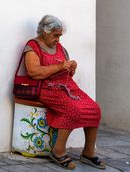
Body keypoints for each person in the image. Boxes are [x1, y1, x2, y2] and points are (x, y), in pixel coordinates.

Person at [23, 15, 105, 170]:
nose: (58, 40)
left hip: (68, 87)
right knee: (73, 110)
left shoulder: (61, 49)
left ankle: (88, 152)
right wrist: (59, 67)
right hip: (47, 89)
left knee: (94, 109)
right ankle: (58, 151)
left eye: (59, 35)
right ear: (44, 32)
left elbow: (64, 70)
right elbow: (34, 72)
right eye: (55, 35)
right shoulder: (33, 47)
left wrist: (70, 68)